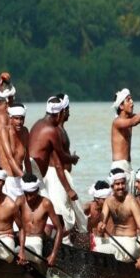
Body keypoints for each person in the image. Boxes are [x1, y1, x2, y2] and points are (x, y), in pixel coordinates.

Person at [29, 93, 87, 238]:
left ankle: (47, 241)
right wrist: (73, 158)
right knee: (49, 211)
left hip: (33, 172)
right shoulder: (52, 130)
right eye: (65, 111)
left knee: (47, 211)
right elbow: (60, 159)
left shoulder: (38, 123)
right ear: (60, 113)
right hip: (36, 173)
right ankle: (44, 243)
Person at [93, 169, 140, 270]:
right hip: (114, 241)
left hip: (129, 244)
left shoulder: (131, 201)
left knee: (97, 250)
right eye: (117, 184)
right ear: (112, 186)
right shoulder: (108, 201)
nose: (121, 187)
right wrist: (101, 226)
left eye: (123, 183)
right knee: (95, 247)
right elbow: (101, 224)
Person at [0, 73, 28, 196]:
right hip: (1, 161)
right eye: (12, 98)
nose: (14, 100)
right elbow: (9, 155)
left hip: (14, 167)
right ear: (7, 99)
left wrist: (5, 81)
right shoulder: (1, 116)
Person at [16, 173, 64, 266]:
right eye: (26, 194)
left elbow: (59, 229)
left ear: (37, 190)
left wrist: (53, 254)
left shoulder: (46, 203)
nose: (29, 199)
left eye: (31, 195)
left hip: (36, 239)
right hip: (21, 238)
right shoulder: (20, 200)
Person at [81, 180, 112, 250]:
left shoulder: (111, 207)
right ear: (97, 199)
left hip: (106, 239)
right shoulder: (89, 207)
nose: (108, 202)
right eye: (105, 199)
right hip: (92, 238)